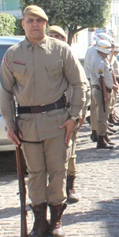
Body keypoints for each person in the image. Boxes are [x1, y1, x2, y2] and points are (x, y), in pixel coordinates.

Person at [0, 5, 88, 237]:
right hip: (27, 124)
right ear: (23, 24)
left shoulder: (60, 50)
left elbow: (79, 83)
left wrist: (74, 116)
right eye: (30, 20)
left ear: (45, 24)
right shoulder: (12, 54)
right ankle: (39, 222)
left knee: (58, 171)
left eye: (39, 21)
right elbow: (5, 92)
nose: (35, 25)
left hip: (57, 122)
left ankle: (56, 220)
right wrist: (10, 124)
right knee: (36, 173)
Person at [48, 25, 85, 203]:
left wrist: (79, 113)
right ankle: (52, 189)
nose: (54, 39)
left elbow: (82, 87)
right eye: (50, 36)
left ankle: (70, 187)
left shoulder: (70, 59)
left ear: (64, 40)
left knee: (69, 153)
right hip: (46, 116)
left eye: (57, 36)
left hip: (68, 114)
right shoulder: (42, 59)